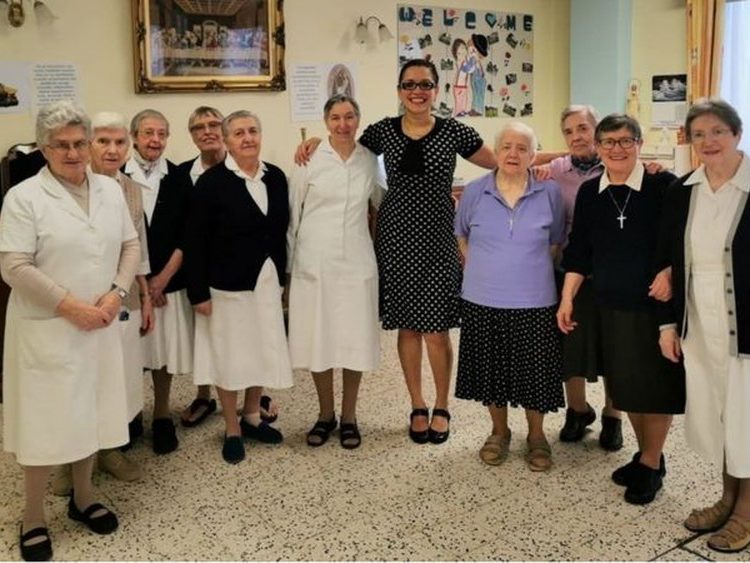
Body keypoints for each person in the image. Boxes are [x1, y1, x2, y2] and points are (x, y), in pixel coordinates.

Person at [296, 59, 495, 445]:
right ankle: (416, 405)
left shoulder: (454, 131)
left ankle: (442, 405)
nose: (416, 91)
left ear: (437, 89)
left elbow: (503, 161)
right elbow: (345, 146)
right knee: (407, 327)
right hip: (396, 239)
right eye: (409, 84)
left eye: (425, 84)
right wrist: (314, 142)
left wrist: (558, 158)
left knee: (436, 330)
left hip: (437, 237)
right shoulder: (382, 132)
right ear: (399, 90)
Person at [0, 101, 140, 561]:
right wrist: (71, 305)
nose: (74, 152)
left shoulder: (109, 190)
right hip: (49, 327)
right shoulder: (24, 198)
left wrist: (116, 293)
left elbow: (130, 244)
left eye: (80, 143)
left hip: (99, 322)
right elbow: (13, 266)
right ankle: (34, 515)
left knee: (92, 413)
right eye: (62, 145)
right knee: (45, 425)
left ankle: (84, 498)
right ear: (44, 148)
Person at [558, 113, 685, 505]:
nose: (617, 148)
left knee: (654, 388)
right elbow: (579, 250)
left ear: (639, 144)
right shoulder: (590, 192)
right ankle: (648, 457)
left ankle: (650, 462)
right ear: (597, 148)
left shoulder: (663, 185)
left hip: (653, 306)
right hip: (608, 304)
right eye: (608, 142)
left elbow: (683, 238)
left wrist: (670, 272)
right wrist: (566, 298)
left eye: (625, 141)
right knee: (627, 387)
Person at [657, 99, 750, 552]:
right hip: (699, 323)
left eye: (718, 132)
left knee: (746, 417)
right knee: (718, 415)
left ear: (737, 133)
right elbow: (669, 262)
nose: (708, 142)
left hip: (745, 327)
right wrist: (667, 326)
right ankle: (728, 497)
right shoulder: (683, 191)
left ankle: (747, 512)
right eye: (698, 135)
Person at [455, 121, 566, 471]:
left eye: (522, 148)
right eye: (506, 147)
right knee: (490, 373)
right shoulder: (474, 191)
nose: (513, 154)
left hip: (534, 299)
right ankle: (499, 431)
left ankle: (536, 436)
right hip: (482, 298)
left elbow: (556, 243)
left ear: (534, 155)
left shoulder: (549, 193)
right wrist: (487, 269)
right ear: (496, 152)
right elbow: (462, 237)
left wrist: (523, 270)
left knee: (534, 373)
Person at [186, 110, 292, 464]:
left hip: (265, 280)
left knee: (261, 349)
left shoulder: (275, 177)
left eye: (253, 131)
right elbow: (195, 240)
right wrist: (197, 291)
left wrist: (284, 278)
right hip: (225, 285)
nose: (247, 138)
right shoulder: (212, 182)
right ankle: (232, 427)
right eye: (238, 133)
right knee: (229, 355)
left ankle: (251, 416)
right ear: (227, 141)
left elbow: (281, 232)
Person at [288, 95, 383, 449]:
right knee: (320, 339)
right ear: (325, 121)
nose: (343, 124)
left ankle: (349, 416)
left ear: (358, 119)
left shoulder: (371, 160)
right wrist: (287, 269)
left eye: (349, 117)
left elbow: (382, 202)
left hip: (357, 261)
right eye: (335, 118)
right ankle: (325, 414)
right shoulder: (309, 158)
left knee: (354, 340)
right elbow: (292, 216)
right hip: (314, 261)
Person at [535, 105, 624, 451]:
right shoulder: (557, 169)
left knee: (612, 345)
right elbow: (518, 156)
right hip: (567, 269)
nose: (577, 136)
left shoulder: (617, 163)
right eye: (569, 131)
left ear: (597, 129)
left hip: (611, 270)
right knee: (569, 343)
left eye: (583, 129)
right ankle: (577, 410)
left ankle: (613, 415)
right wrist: (551, 159)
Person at [124, 109, 191, 455]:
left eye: (162, 134)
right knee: (131, 353)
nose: (155, 140)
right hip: (127, 285)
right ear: (134, 136)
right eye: (148, 133)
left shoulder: (179, 177)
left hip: (167, 284)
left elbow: (187, 234)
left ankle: (162, 414)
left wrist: (161, 280)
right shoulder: (115, 176)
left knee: (162, 351)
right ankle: (131, 413)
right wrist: (140, 284)